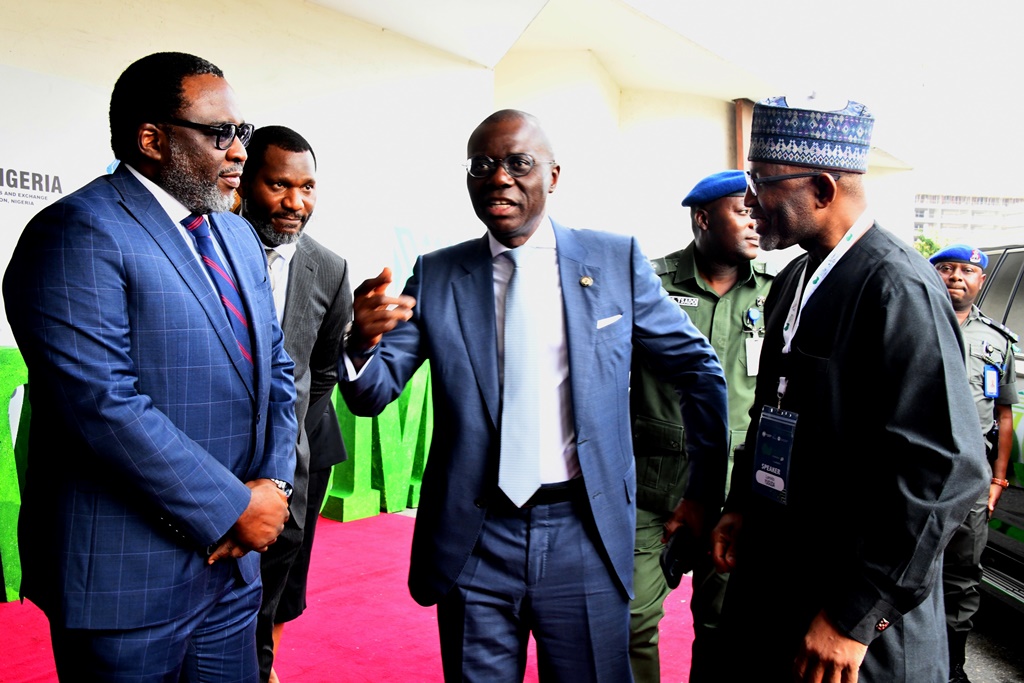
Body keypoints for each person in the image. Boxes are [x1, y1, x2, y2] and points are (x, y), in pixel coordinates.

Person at [338, 109, 729, 682]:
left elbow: (699, 372)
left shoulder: (613, 261)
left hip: (586, 532)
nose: (499, 177)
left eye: (519, 163)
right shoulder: (440, 274)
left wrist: (702, 492)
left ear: (553, 175)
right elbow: (371, 393)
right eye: (482, 165)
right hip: (475, 540)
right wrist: (361, 341)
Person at [3, 52, 298, 681]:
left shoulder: (238, 235)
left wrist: (272, 489)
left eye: (241, 132)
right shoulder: (76, 232)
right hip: (126, 581)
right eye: (220, 134)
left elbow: (275, 367)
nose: (240, 151)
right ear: (152, 139)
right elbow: (102, 404)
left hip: (233, 571)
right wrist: (230, 508)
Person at [710, 96, 988, 682]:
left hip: (854, 627)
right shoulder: (794, 277)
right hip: (782, 580)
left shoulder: (898, 288)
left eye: (762, 183)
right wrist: (743, 505)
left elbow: (946, 469)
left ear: (822, 187)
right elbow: (773, 412)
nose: (750, 201)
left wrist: (854, 614)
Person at [628, 170, 773, 682]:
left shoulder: (775, 296)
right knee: (632, 622)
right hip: (652, 488)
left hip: (737, 496)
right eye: (743, 211)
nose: (757, 222)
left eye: (758, 211)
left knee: (722, 628)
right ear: (704, 217)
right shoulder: (649, 282)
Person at [237, 126, 352, 683]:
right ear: (242, 181)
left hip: (294, 463)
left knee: (276, 586)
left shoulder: (329, 268)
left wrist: (288, 447)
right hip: (213, 465)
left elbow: (323, 371)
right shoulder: (205, 246)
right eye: (279, 185)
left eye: (307, 187)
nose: (295, 203)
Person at [929, 244, 1018, 683]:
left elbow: (1004, 414)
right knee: (905, 565)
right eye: (946, 269)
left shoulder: (998, 341)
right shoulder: (914, 322)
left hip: (972, 477)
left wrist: (997, 477)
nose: (956, 277)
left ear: (981, 280)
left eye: (966, 270)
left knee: (962, 575)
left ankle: (953, 666)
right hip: (919, 472)